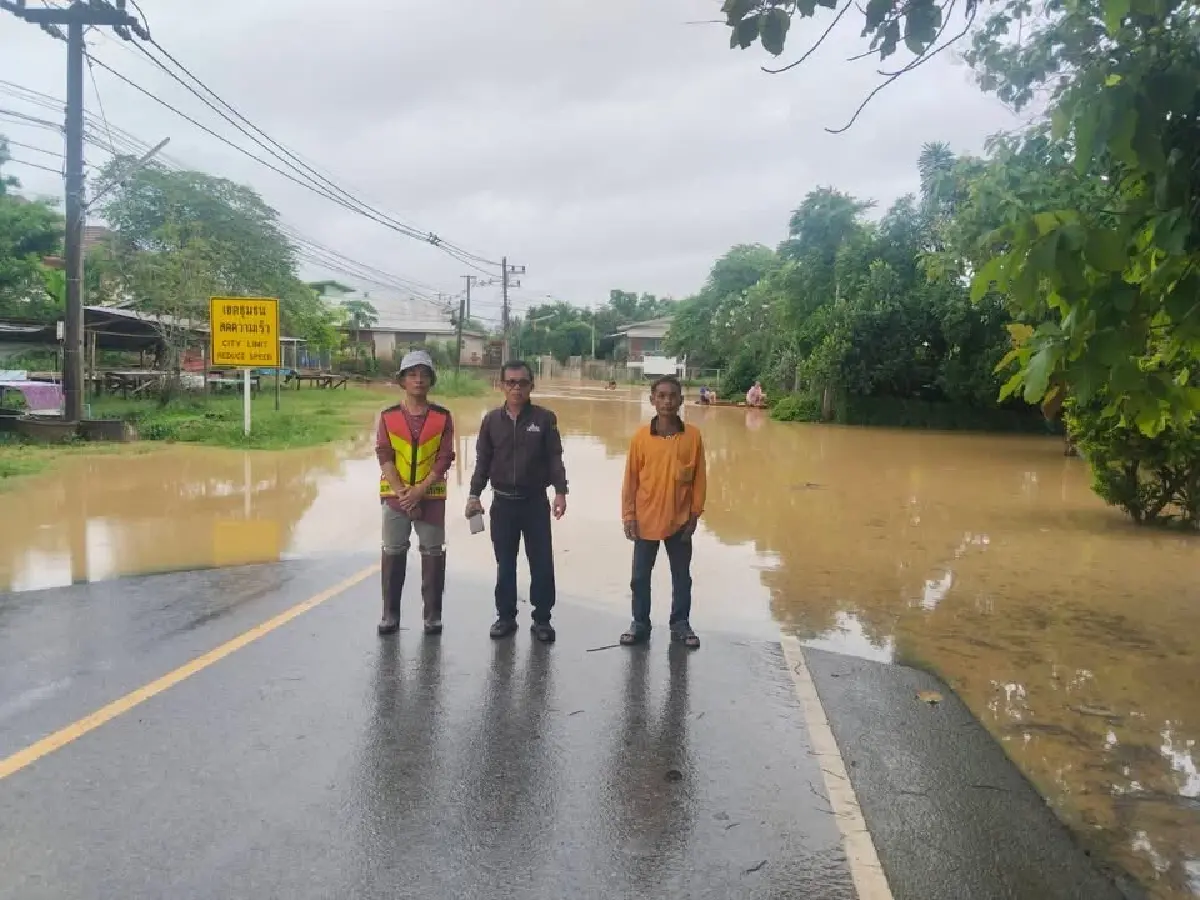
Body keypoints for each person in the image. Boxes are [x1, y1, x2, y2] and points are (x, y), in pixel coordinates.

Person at [466, 360, 569, 643]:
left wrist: (560, 491)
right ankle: (506, 617)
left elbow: (554, 458)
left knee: (541, 563)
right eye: (510, 382)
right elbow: (482, 462)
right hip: (503, 505)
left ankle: (542, 619)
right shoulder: (491, 421)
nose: (516, 388)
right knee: (505, 564)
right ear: (501, 386)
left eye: (522, 382)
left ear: (531, 386)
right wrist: (474, 495)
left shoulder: (544, 419)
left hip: (534, 503)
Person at [619, 374, 706, 649]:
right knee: (640, 577)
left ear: (681, 400)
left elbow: (700, 478)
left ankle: (680, 624)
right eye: (662, 396)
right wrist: (628, 515)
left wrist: (694, 515)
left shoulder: (692, 436)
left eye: (672, 396)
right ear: (653, 400)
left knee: (681, 576)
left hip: (680, 521)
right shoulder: (640, 438)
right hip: (645, 520)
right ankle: (640, 623)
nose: (667, 401)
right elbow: (630, 480)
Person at [375, 349, 455, 637]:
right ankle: (390, 614)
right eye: (412, 374)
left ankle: (432, 616)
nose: (418, 380)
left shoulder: (443, 417)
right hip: (395, 498)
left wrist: (419, 491)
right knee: (393, 552)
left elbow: (445, 457)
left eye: (424, 374)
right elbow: (383, 454)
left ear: (431, 380)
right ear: (402, 381)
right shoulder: (387, 416)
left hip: (431, 496)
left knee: (433, 553)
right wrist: (402, 493)